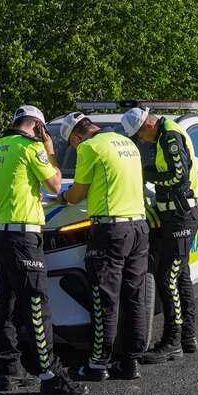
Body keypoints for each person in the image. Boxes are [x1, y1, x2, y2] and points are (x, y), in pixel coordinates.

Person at [0, 105, 85, 395]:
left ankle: (10, 370)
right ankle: (50, 374)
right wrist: (49, 148)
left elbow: (10, 186)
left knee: (9, 303)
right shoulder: (31, 148)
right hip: (24, 235)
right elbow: (54, 184)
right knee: (37, 304)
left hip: (0, 234)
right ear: (39, 128)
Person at [57, 113, 149, 381]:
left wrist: (62, 196)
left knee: (104, 298)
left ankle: (98, 364)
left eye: (72, 146)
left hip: (110, 230)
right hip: (138, 227)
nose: (75, 150)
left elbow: (77, 194)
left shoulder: (89, 147)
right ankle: (131, 362)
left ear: (76, 137)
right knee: (134, 297)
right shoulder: (126, 142)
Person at [120, 106, 198, 363]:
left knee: (168, 278)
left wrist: (145, 175)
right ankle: (187, 337)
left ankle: (172, 342)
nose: (141, 141)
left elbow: (179, 178)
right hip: (176, 215)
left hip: (180, 216)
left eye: (140, 136)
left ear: (147, 125)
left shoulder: (169, 136)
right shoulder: (166, 133)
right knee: (181, 277)